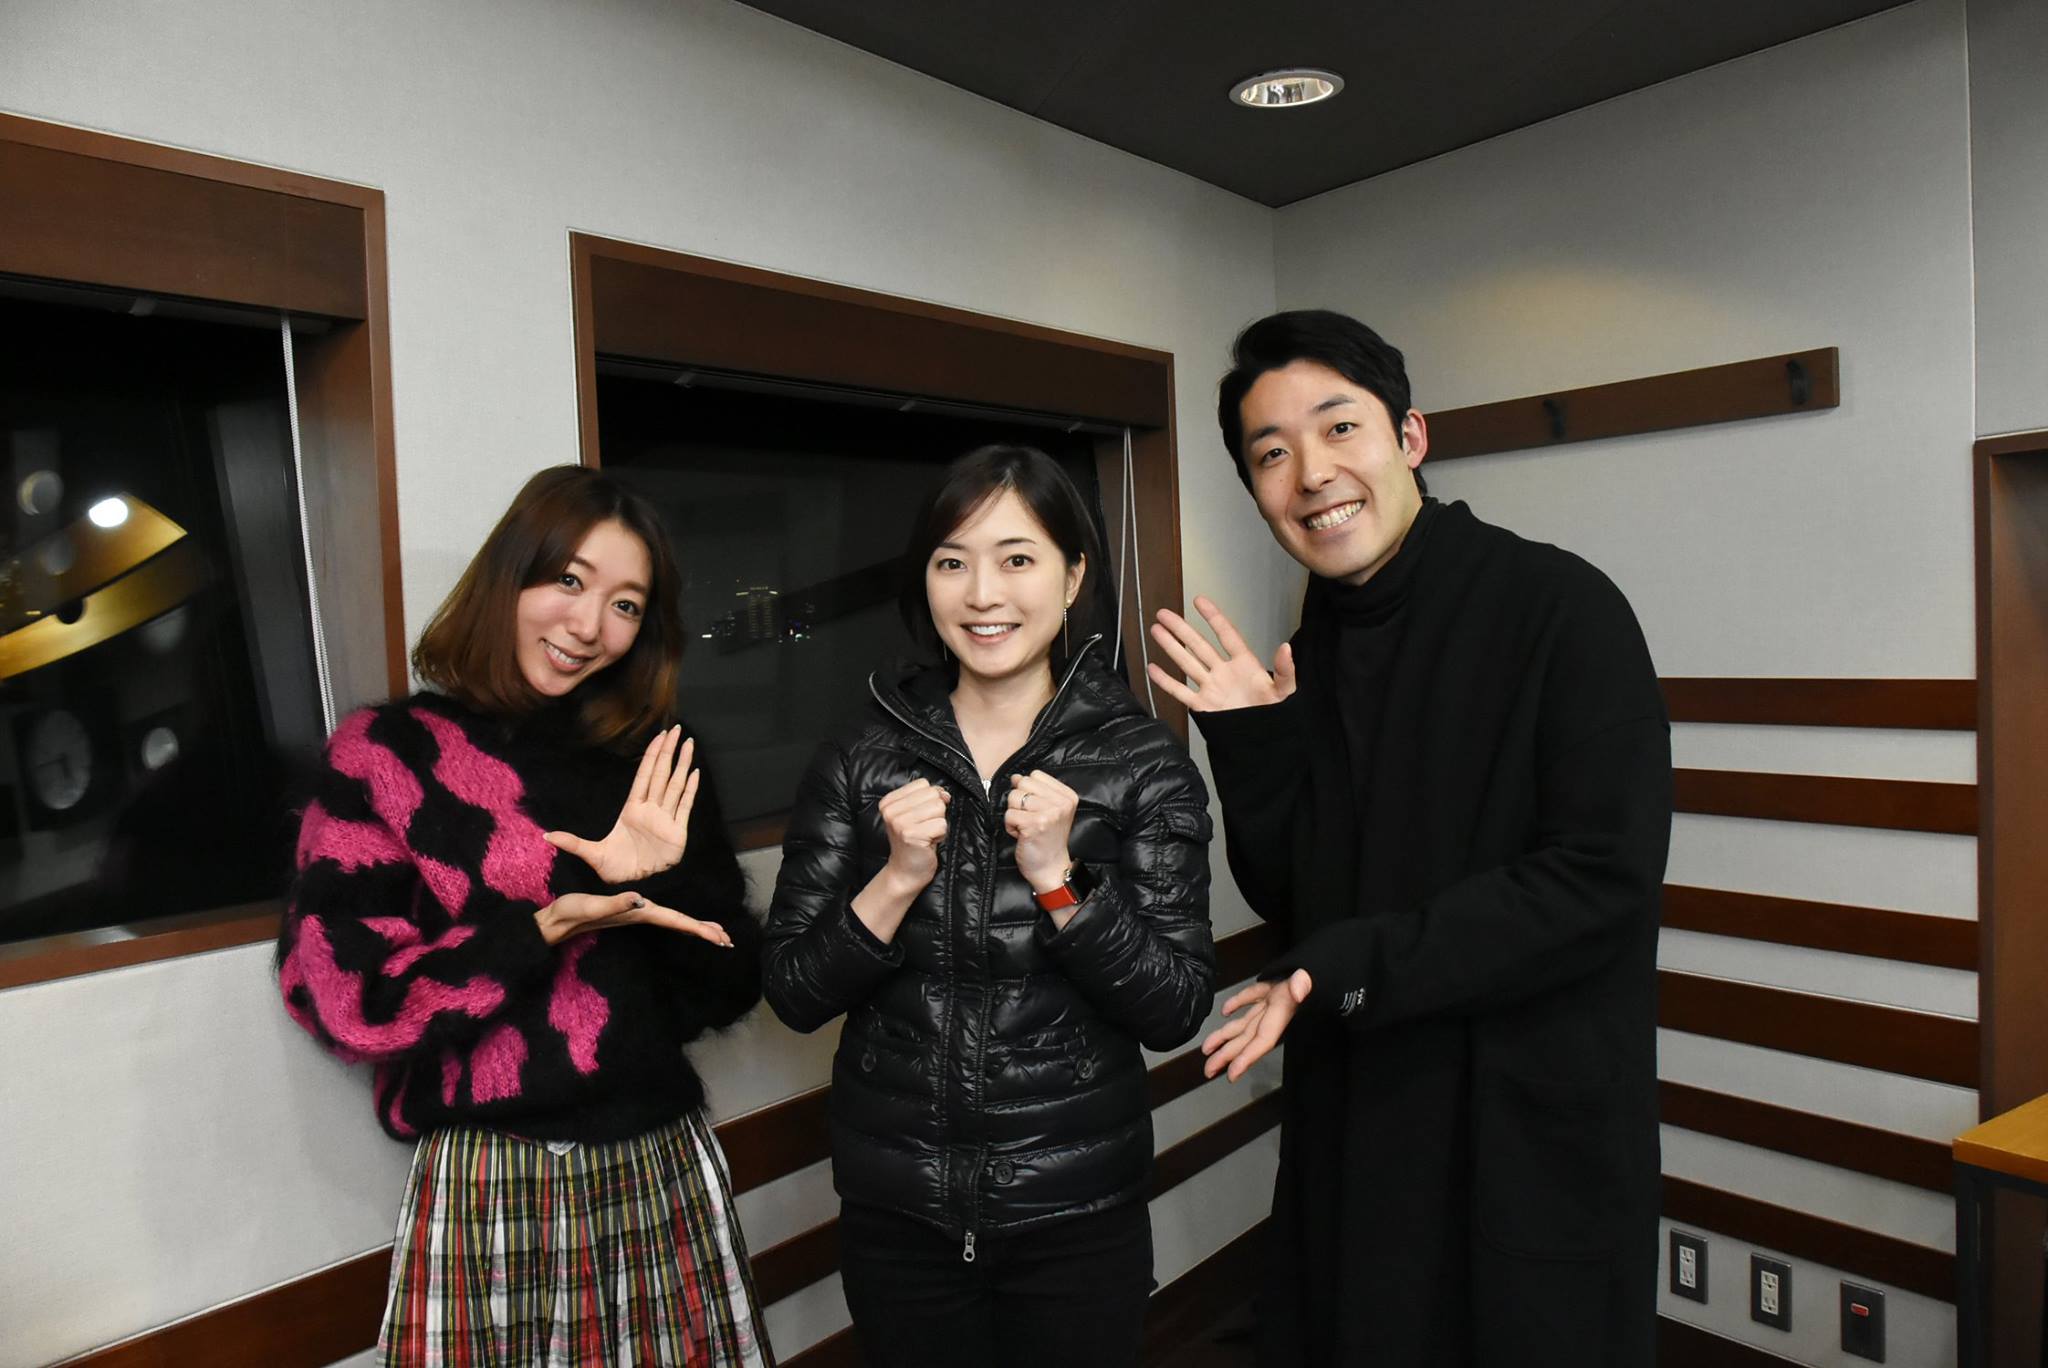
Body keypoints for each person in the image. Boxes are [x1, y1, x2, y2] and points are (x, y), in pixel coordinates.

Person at [1148, 311, 1671, 1366]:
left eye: (1339, 427)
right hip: (1364, 1117)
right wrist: (1252, 742)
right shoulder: (1316, 649)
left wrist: (1349, 965)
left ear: (1410, 437)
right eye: (1271, 454)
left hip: (1523, 1126)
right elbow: (1300, 896)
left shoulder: (1560, 605)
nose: (1312, 474)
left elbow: (1599, 881)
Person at [276, 465, 771, 1367]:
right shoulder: (388, 754)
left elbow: (730, 983)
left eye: (626, 605)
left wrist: (658, 886)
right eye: (569, 581)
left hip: (657, 1156)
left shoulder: (653, 758)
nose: (588, 626)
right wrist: (540, 928)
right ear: (509, 576)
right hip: (495, 1176)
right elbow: (350, 1002)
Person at [763, 445, 1215, 1368]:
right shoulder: (859, 756)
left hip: (1076, 1212)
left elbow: (1174, 1007)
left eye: (1016, 559)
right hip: (900, 1210)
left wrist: (1059, 880)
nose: (982, 595)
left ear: (1072, 577)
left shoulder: (1143, 763)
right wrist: (895, 879)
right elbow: (795, 991)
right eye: (952, 562)